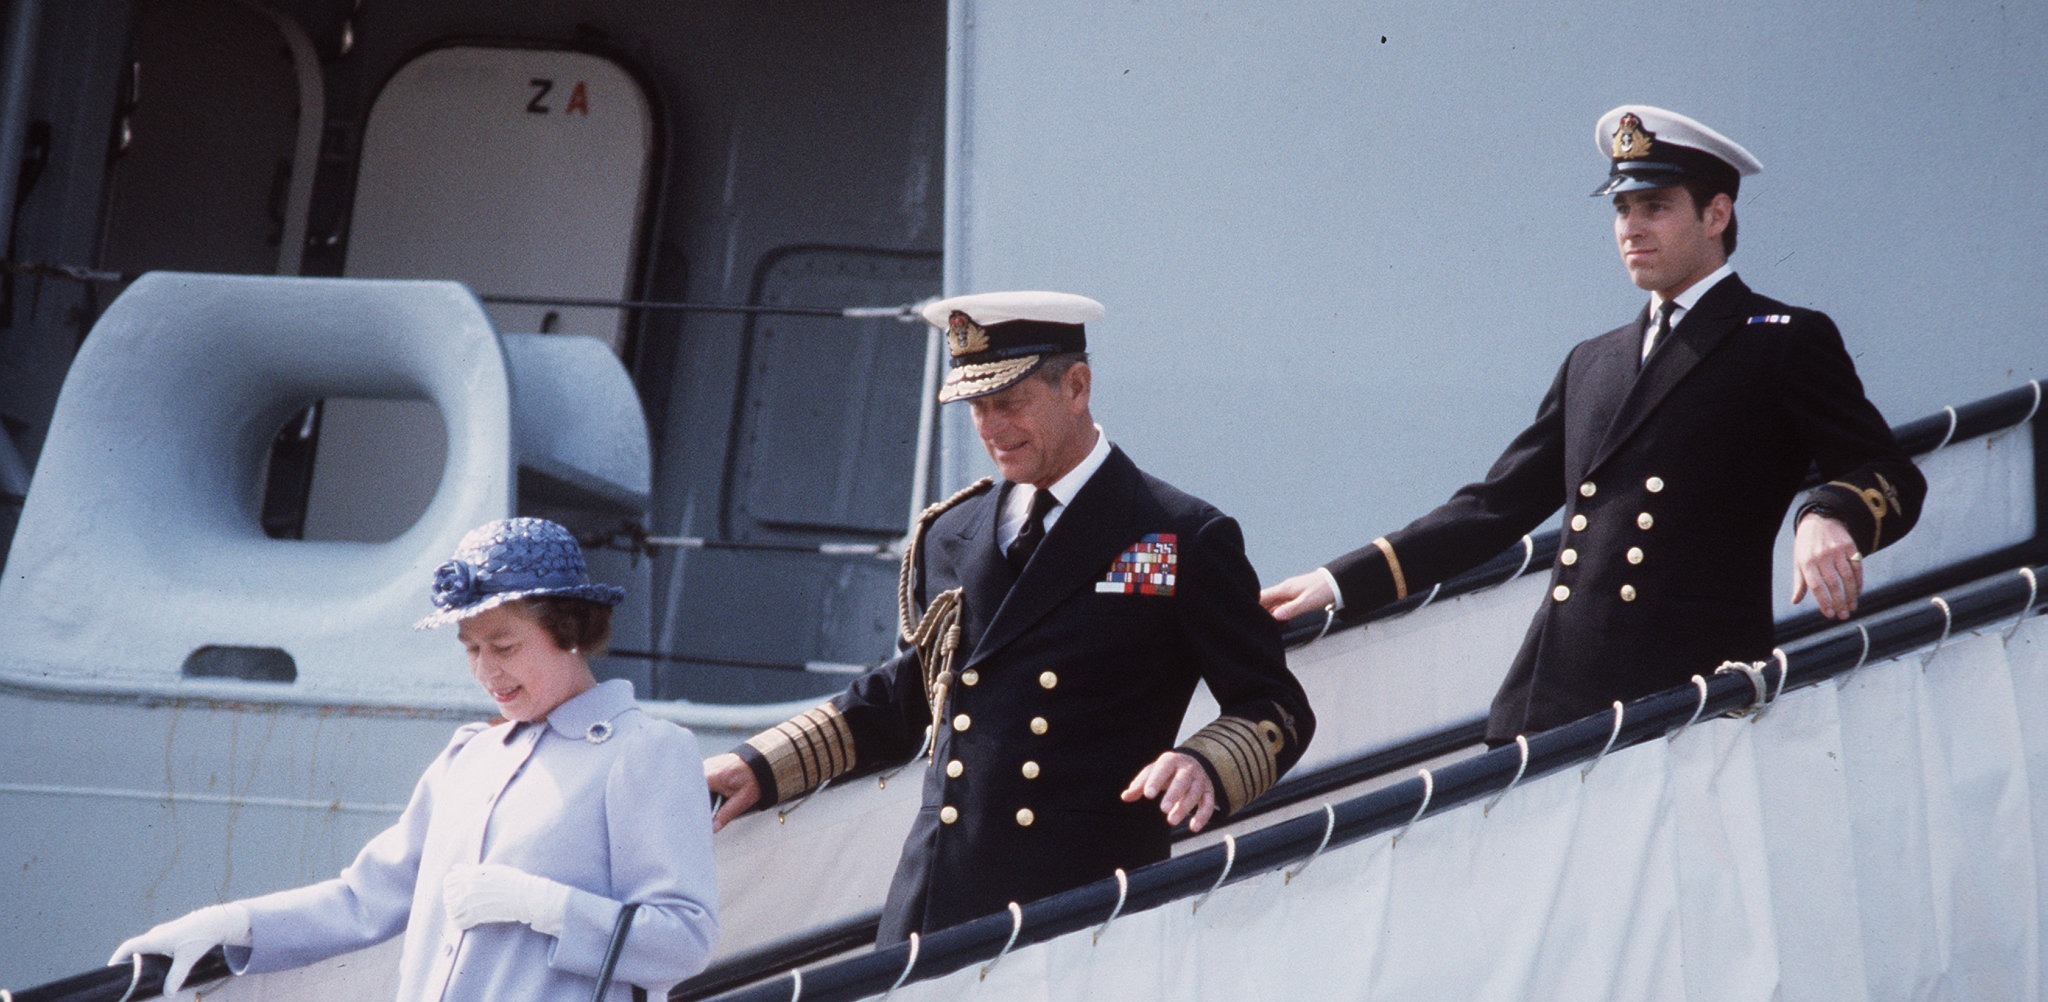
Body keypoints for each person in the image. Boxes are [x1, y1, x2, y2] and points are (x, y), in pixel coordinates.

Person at [1261, 105, 1927, 744]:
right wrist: (1341, 581)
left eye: (1656, 206)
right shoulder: (1593, 362)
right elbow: (1493, 508)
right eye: (1622, 208)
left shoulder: (1781, 340)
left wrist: (1829, 513)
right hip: (1552, 700)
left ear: (1717, 213)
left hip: (1686, 698)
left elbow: (1889, 472)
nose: (1632, 228)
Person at [705, 291, 1314, 942]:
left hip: (1082, 910)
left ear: (1076, 387)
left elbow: (1274, 706)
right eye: (977, 407)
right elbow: (909, 696)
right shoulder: (952, 533)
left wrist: (1205, 764)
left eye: (1010, 401)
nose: (991, 427)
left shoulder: (1177, 535)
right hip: (935, 904)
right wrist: (760, 765)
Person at [111, 518, 719, 1002]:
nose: (487, 671)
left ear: (573, 632)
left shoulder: (643, 751)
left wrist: (547, 908)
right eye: (471, 648)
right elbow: (364, 899)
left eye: (505, 645)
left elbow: (685, 937)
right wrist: (233, 923)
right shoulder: (468, 759)